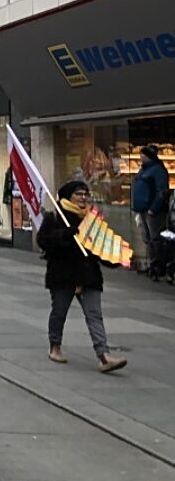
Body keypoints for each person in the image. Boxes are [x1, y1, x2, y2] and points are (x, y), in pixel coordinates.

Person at [38, 180, 127, 373]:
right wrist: (64, 234)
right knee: (59, 312)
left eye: (86, 194)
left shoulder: (91, 219)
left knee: (94, 315)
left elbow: (99, 247)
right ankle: (54, 347)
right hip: (64, 274)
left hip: (88, 275)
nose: (83, 198)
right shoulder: (55, 217)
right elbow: (43, 241)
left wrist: (115, 258)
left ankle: (104, 356)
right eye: (78, 194)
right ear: (68, 196)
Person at [131, 144, 169, 275]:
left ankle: (157, 265)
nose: (140, 157)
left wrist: (154, 208)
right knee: (147, 238)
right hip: (142, 209)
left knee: (155, 238)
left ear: (148, 156)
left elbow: (162, 191)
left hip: (152, 211)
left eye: (142, 155)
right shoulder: (144, 169)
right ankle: (151, 263)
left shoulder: (157, 170)